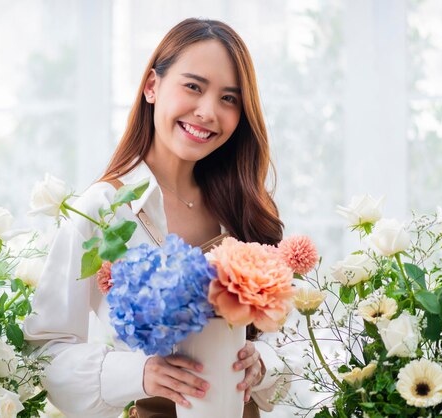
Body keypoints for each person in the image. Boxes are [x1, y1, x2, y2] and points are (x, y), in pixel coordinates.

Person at [24, 18, 288, 418]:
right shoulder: (103, 207)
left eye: (229, 99)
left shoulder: (245, 210)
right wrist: (140, 374)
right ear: (152, 87)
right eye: (194, 87)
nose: (207, 112)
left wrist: (264, 363)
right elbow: (45, 351)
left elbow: (297, 339)